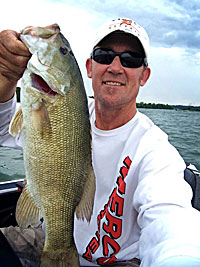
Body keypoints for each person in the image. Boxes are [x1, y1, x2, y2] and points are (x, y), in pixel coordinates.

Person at [0, 17, 200, 267]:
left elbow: (172, 221)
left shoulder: (155, 150)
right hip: (47, 234)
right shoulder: (64, 108)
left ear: (144, 76)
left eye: (130, 60)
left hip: (118, 261)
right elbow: (3, 130)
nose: (115, 67)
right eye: (104, 55)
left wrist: (181, 258)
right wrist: (6, 78)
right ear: (89, 67)